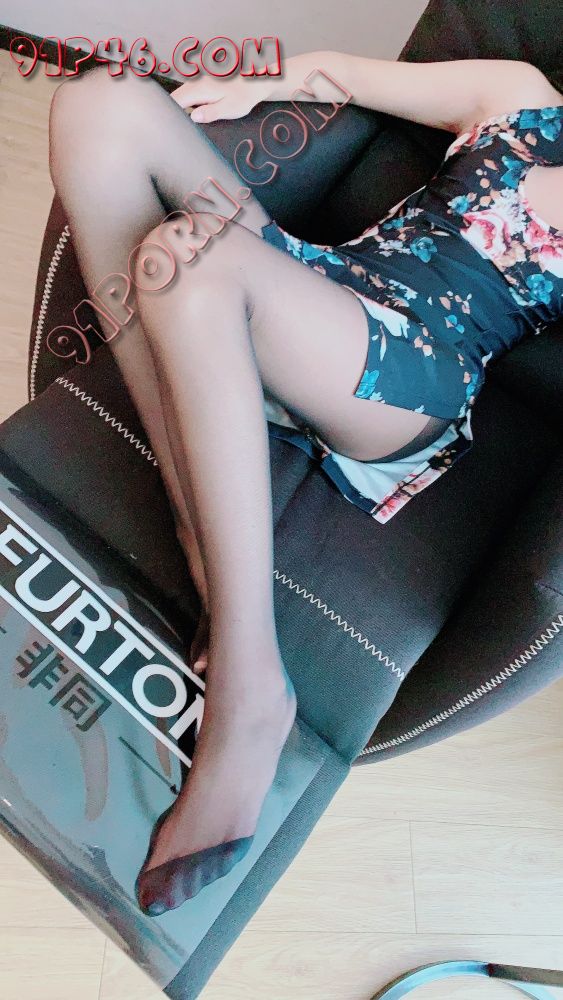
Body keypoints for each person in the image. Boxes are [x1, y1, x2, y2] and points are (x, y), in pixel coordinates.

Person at [47, 52, 563, 916]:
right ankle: (198, 514)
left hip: (408, 377)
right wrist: (261, 83)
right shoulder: (520, 98)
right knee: (101, 101)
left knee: (187, 256)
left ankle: (251, 685)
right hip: (311, 286)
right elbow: (341, 75)